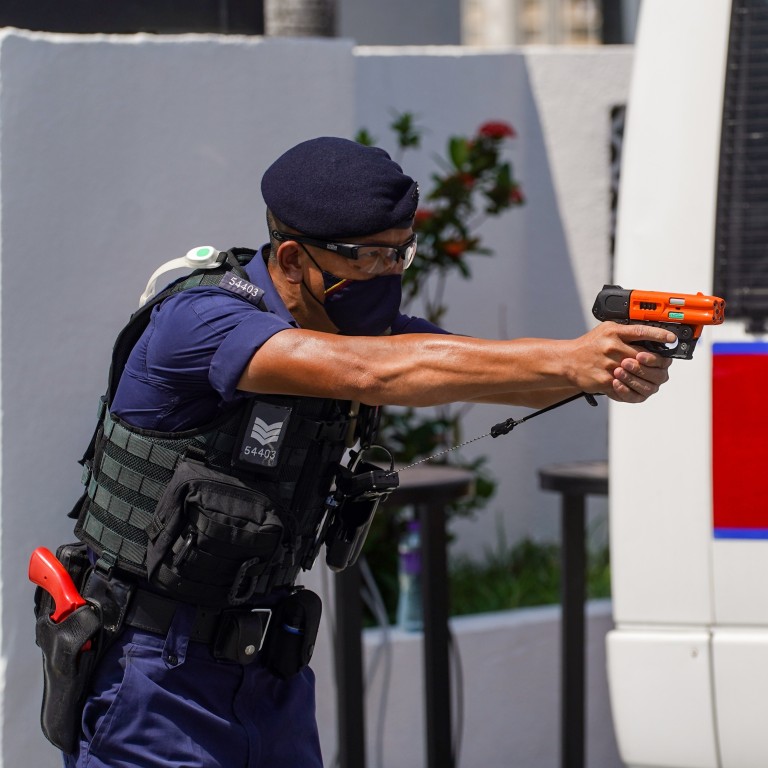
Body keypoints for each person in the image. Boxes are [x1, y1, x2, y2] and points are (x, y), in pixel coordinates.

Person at [38, 136, 674, 768]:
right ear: (292, 259)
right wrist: (570, 358)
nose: (390, 274)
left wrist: (600, 370)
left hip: (267, 669)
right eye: (370, 257)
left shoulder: (354, 329)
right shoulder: (204, 317)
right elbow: (370, 375)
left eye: (401, 254)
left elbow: (467, 365)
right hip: (150, 668)